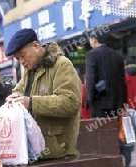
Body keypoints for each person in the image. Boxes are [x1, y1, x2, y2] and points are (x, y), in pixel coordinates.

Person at [5, 28, 81, 159]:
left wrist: (31, 103)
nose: (21, 62)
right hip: (35, 153)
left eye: (23, 55)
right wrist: (14, 98)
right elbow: (18, 91)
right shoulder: (29, 70)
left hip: (59, 153)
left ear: (35, 45)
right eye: (18, 59)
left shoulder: (61, 64)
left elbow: (70, 102)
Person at [85, 30, 127, 118]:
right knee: (115, 129)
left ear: (94, 40)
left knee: (102, 130)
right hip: (117, 102)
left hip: (100, 102)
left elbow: (91, 78)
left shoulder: (91, 55)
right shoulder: (117, 55)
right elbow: (123, 80)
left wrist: (89, 98)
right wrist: (124, 101)